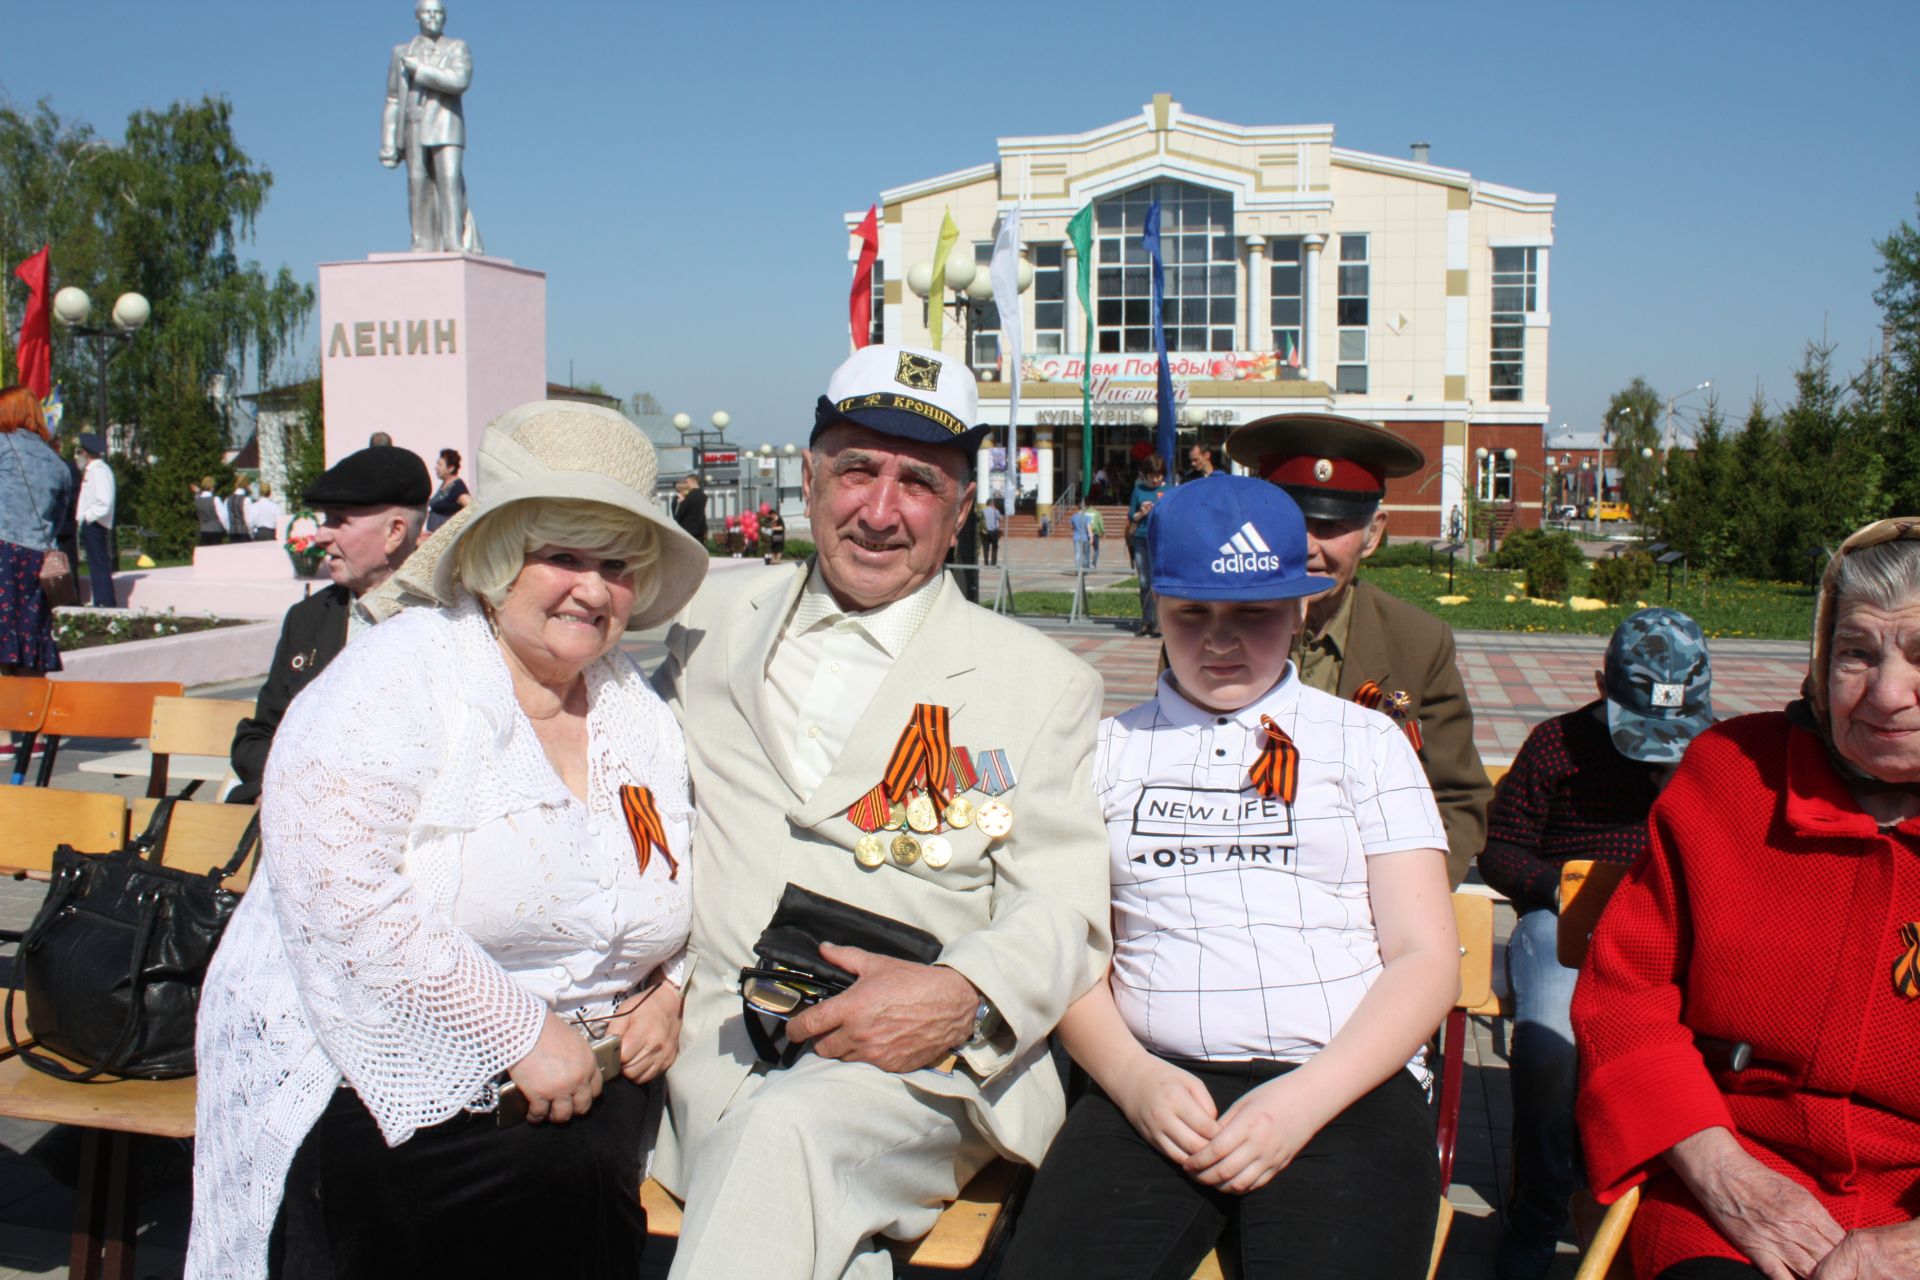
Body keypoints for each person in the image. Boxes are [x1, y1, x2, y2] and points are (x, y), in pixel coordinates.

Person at [188, 400, 711, 1280]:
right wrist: (517, 1031)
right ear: (499, 560)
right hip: (384, 1063)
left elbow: (689, 875)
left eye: (618, 565)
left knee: (579, 1179)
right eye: (563, 556)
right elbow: (340, 892)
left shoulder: (636, 710)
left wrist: (670, 991)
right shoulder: (403, 673)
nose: (592, 588)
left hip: (598, 1079)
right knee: (542, 1197)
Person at [653, 342, 1111, 1280]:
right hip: (714, 1049)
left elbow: (1064, 906)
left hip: (917, 1070)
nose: (879, 510)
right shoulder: (705, 620)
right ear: (811, 479)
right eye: (856, 468)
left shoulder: (1041, 685)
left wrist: (963, 997)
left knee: (788, 1138)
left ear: (959, 514)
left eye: (918, 483)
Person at [1000, 475, 1459, 1280]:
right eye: (1191, 615)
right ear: (1156, 609)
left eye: (1252, 614)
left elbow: (1426, 957)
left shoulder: (1366, 742)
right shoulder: (1102, 754)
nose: (1220, 641)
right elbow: (1069, 951)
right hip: (1151, 1092)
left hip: (1345, 1088)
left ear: (1301, 609)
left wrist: (1304, 1101)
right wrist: (1132, 1079)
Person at [1574, 516, 1920, 1280]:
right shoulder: (1730, 776)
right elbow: (1624, 998)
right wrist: (1725, 1177)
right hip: (1730, 1189)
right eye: (1856, 653)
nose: (1888, 693)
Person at [1478, 608, 1715, 1280]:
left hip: (1673, 930)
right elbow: (1499, 852)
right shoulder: (1557, 745)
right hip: (1564, 921)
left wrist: (1683, 793)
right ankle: (1543, 1201)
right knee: (1553, 1035)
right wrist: (1561, 886)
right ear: (1600, 684)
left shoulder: (1715, 755)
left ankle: (1665, 1203)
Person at [1225, 412, 1492, 886]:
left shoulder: (1418, 643)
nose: (1307, 546)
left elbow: (1457, 798)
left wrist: (1405, 903)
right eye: (1290, 522)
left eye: (1332, 524)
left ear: (1373, 534)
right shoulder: (1210, 632)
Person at [226, 445, 430, 805]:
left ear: (394, 532)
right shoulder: (307, 619)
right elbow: (258, 735)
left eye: (339, 520)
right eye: (325, 519)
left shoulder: (447, 620)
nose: (321, 535)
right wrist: (279, 785)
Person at [379, 0, 479, 253]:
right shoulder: (401, 52)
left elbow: (459, 80)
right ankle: (421, 241)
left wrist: (421, 70)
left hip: (446, 126)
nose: (432, 18)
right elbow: (392, 99)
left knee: (449, 182)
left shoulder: (457, 47)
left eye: (437, 13)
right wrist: (388, 142)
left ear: (444, 17)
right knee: (417, 183)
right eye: (427, 13)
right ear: (417, 17)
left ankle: (453, 240)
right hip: (414, 123)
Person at [0, 387, 75, 672]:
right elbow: (58, 518)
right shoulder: (56, 462)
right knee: (28, 636)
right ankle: (28, 709)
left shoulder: (3, 445)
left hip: (3, 551)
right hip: (38, 560)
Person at [1128, 455, 1170, 638]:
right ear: (1144, 475)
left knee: (1158, 583)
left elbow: (1172, 514)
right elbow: (1132, 516)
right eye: (1151, 475)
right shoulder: (1138, 490)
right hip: (1141, 538)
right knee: (1144, 582)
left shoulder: (1168, 490)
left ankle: (1160, 623)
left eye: (1158, 475)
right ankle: (1146, 622)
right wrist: (1142, 512)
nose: (1155, 479)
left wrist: (1158, 510)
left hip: (1160, 540)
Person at [74, 434, 116, 607]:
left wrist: (88, 517)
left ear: (85, 452)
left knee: (98, 563)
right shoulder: (94, 469)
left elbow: (104, 501)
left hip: (95, 523)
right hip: (93, 522)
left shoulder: (98, 471)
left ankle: (104, 601)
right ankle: (101, 599)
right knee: (95, 563)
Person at [426, 447, 471, 532]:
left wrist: (454, 528)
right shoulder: (445, 484)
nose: (436, 467)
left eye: (440, 464)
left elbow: (473, 509)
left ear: (451, 468)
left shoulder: (457, 487)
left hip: (446, 541)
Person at [673, 473, 708, 544]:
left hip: (687, 530)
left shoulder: (688, 497)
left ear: (692, 482)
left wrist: (680, 503)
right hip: (700, 529)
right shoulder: (703, 496)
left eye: (687, 482)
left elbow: (680, 514)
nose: (686, 484)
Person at [194, 476, 228, 547]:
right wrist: (227, 528)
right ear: (212, 487)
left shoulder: (197, 500)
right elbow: (223, 516)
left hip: (204, 530)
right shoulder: (215, 499)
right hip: (216, 530)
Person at [226, 479, 252, 546]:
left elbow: (226, 517)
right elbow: (248, 520)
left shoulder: (228, 499)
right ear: (246, 486)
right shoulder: (246, 500)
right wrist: (251, 534)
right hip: (244, 533)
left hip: (232, 533)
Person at [980, 498, 1003, 566]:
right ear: (992, 504)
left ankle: (986, 562)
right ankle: (993, 562)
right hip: (994, 531)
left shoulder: (983, 511)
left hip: (985, 531)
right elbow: (1001, 519)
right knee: (994, 547)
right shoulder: (996, 511)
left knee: (985, 547)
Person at [1070, 501, 1092, 571]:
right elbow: (1088, 527)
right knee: (1085, 554)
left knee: (1077, 554)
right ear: (1084, 508)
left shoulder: (1073, 517)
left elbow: (1072, 526)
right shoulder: (1087, 517)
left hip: (1076, 537)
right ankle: (1084, 570)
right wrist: (1091, 536)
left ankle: (1077, 569)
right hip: (1085, 537)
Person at [1086, 503, 1105, 569]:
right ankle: (1094, 564)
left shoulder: (1084, 513)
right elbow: (1100, 523)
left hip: (1087, 533)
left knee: (1087, 550)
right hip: (1095, 533)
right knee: (1096, 549)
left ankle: (1087, 564)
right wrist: (1103, 532)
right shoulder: (1097, 513)